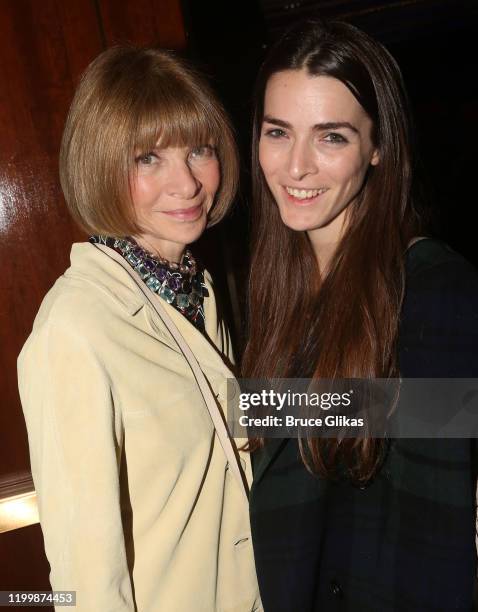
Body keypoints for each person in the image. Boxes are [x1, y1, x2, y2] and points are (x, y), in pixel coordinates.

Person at [243, 19, 478, 611]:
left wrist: (235, 407)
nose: (296, 167)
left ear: (377, 147)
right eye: (278, 132)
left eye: (331, 137)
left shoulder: (434, 289)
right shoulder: (278, 284)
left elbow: (438, 539)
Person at [18, 46, 261, 612]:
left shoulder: (189, 289)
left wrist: (424, 409)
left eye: (198, 149)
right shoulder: (74, 330)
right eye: (147, 158)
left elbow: (239, 415)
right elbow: (87, 578)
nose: (188, 183)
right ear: (99, 166)